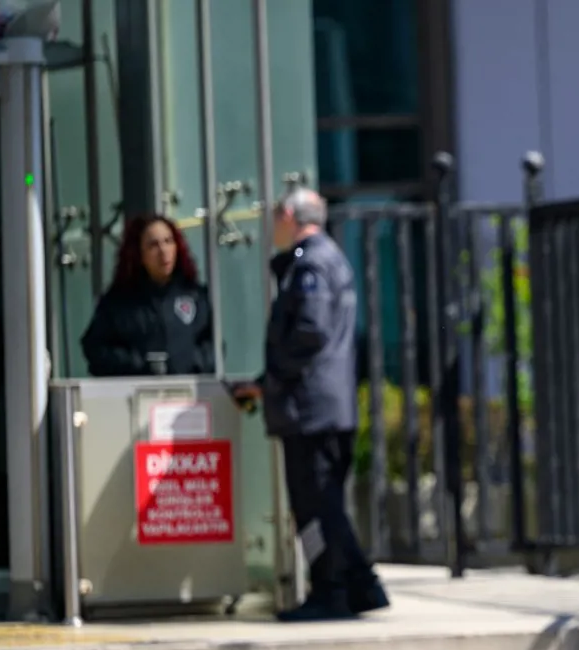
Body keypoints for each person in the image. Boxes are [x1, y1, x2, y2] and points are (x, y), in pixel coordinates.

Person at [231, 187, 388, 622]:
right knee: (327, 502)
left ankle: (330, 591)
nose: (272, 227)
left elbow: (309, 331)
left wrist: (270, 380)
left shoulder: (310, 264)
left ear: (289, 215)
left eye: (275, 217)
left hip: (309, 409)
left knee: (314, 507)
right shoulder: (330, 258)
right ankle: (361, 585)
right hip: (325, 406)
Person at [80, 214, 215, 377]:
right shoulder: (119, 302)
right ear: (139, 254)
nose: (163, 251)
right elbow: (96, 349)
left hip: (188, 389)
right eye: (153, 245)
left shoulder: (196, 296)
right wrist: (139, 365)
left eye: (168, 241)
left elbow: (213, 345)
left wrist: (190, 363)